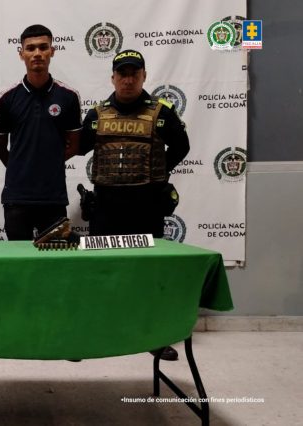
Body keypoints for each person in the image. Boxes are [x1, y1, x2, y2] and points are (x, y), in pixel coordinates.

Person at [79, 49, 190, 361]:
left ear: (144, 76)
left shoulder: (162, 112)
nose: (128, 79)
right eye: (122, 73)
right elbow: (77, 147)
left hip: (146, 205)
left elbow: (182, 146)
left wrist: (159, 173)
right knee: (102, 271)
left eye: (134, 73)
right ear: (113, 77)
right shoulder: (97, 114)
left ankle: (154, 337)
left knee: (147, 273)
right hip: (107, 205)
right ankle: (100, 331)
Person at [0, 24, 82, 240]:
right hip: (17, 198)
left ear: (52, 51)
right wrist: (19, 166)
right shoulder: (6, 98)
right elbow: (0, 147)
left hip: (53, 198)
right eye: (31, 48)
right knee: (18, 263)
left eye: (43, 47)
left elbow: (75, 144)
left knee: (54, 263)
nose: (37, 54)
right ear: (21, 53)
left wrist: (48, 164)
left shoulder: (68, 96)